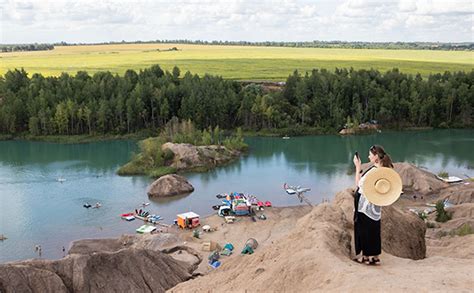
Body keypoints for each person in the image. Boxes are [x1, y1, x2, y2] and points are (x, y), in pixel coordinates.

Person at [352, 145, 394, 265]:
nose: (368, 156)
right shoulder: (383, 170)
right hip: (375, 206)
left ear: (376, 157)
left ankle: (365, 257)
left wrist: (357, 167)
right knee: (373, 230)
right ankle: (374, 256)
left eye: (370, 154)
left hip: (365, 205)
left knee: (364, 230)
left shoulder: (374, 171)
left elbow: (358, 184)